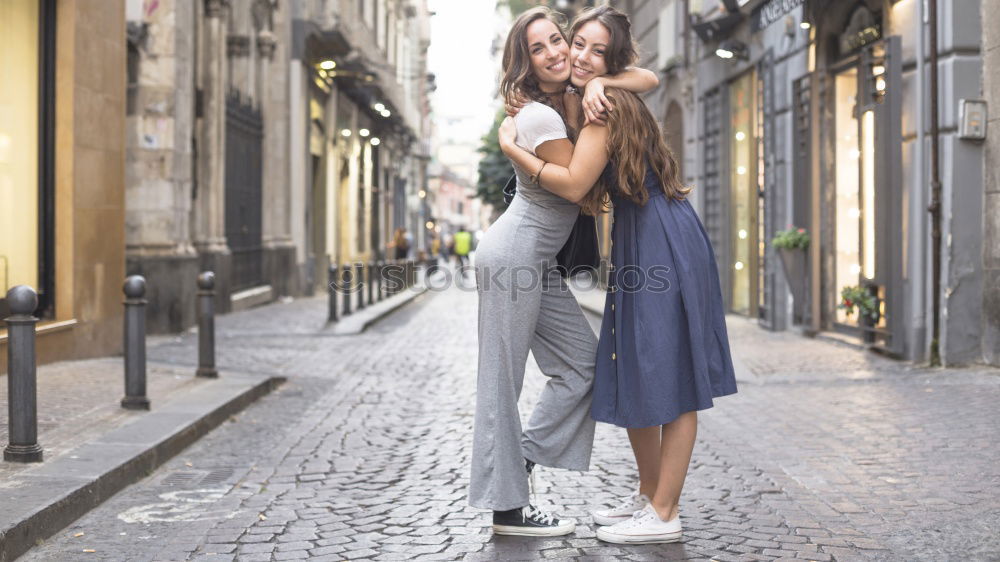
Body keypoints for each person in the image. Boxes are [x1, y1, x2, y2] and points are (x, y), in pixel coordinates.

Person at [498, 5, 738, 545]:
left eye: (596, 50)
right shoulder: (592, 95)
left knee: (673, 378)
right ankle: (649, 496)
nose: (579, 56)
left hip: (662, 239)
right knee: (636, 369)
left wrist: (514, 148)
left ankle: (665, 512)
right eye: (575, 42)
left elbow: (576, 183)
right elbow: (644, 77)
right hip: (640, 237)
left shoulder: (604, 105)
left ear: (611, 58)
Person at [471, 6, 660, 538]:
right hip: (512, 259)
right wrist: (512, 148)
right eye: (540, 47)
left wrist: (600, 76)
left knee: (583, 365)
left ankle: (519, 463)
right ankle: (508, 509)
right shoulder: (536, 116)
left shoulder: (573, 99)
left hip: (536, 264)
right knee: (501, 381)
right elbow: (577, 187)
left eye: (558, 39)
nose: (556, 52)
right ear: (525, 63)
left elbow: (648, 77)